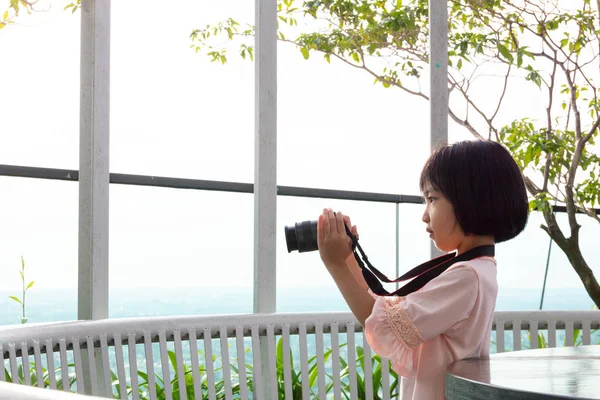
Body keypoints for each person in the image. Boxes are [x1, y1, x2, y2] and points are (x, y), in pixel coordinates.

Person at [316, 140, 529, 400]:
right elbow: (386, 312)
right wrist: (349, 259)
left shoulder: (467, 276)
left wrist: (335, 264)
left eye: (432, 199)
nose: (425, 215)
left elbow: (389, 327)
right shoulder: (477, 268)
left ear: (471, 199)